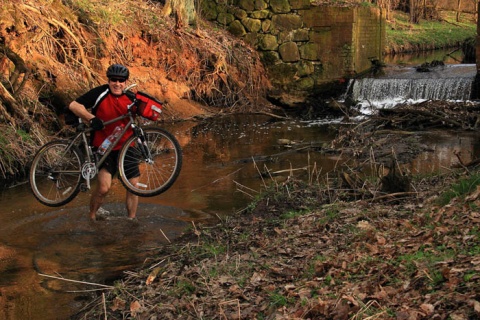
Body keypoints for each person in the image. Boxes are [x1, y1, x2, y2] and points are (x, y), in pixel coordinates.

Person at [69, 63, 139, 221]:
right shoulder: (99, 93)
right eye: (114, 80)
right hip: (103, 147)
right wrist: (91, 118)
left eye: (121, 80)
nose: (117, 84)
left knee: (133, 186)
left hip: (127, 147)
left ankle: (132, 220)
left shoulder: (130, 98)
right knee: (103, 188)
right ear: (108, 80)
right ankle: (92, 217)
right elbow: (74, 105)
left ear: (126, 82)